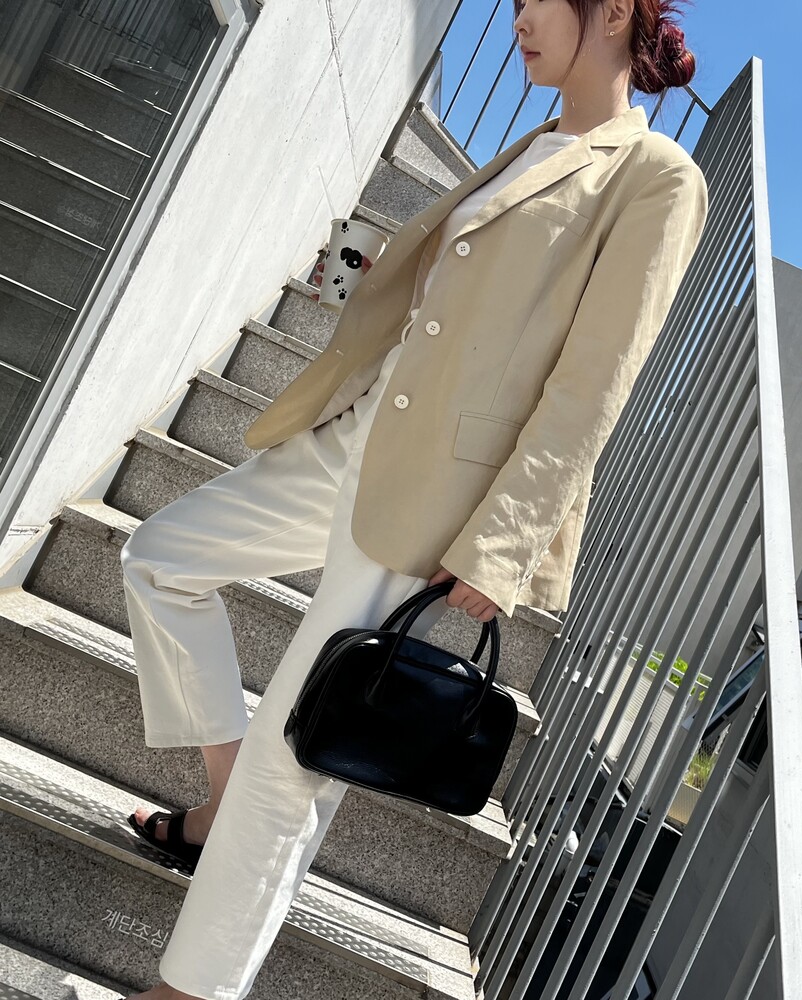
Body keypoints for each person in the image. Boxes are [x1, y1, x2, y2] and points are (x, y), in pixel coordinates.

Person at [119, 1, 708, 998]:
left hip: (441, 489)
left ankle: (189, 990)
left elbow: (593, 384)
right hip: (356, 440)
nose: (517, 18)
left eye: (537, 1)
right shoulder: (534, 144)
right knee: (162, 557)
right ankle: (221, 804)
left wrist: (502, 543)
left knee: (292, 758)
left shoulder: (655, 176)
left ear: (612, 13)